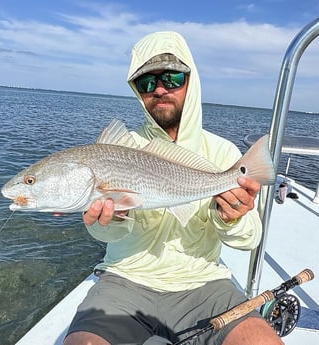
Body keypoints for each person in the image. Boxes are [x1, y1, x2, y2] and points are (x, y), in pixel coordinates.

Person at [64, 31, 283, 345]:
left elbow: (250, 239)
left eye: (172, 77)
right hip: (126, 278)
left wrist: (233, 218)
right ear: (137, 91)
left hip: (203, 283)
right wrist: (110, 221)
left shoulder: (222, 153)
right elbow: (105, 234)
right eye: (147, 83)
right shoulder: (123, 147)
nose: (160, 89)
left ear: (191, 81)